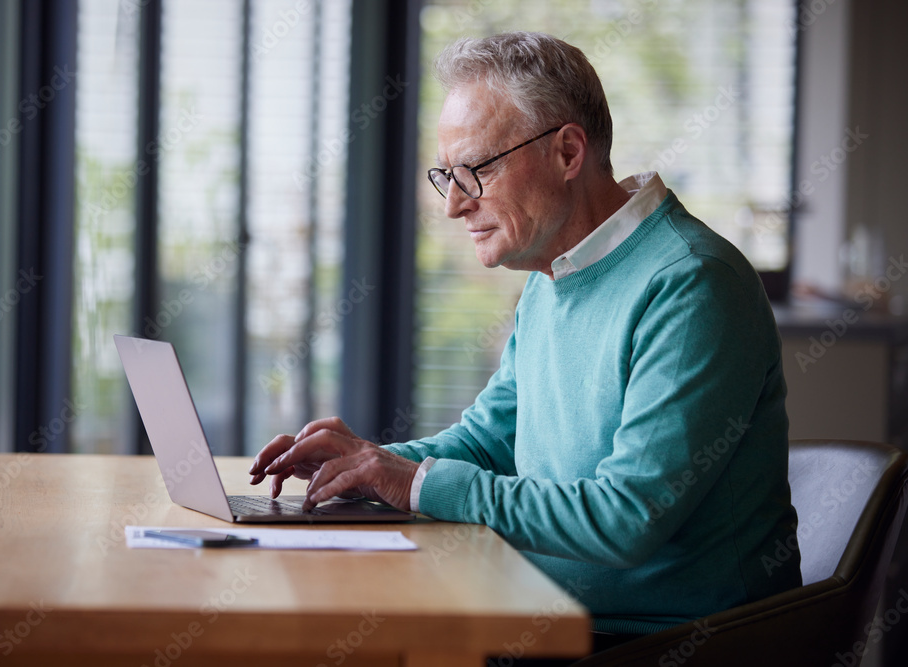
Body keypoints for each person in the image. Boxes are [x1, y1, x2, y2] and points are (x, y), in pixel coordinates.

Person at [249, 31, 801, 642]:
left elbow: (626, 518)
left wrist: (411, 483)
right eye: (446, 176)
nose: (454, 205)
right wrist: (369, 466)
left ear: (568, 153)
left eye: (476, 170)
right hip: (537, 613)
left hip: (660, 641)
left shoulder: (692, 284)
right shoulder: (551, 276)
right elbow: (490, 441)